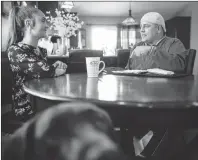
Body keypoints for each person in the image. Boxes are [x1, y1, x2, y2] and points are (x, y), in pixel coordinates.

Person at [6, 6, 67, 121]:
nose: (47, 25)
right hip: (27, 106)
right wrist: (54, 69)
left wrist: (55, 67)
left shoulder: (40, 50)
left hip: (42, 100)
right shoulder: (15, 50)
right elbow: (44, 71)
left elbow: (44, 71)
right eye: (43, 20)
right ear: (29, 23)